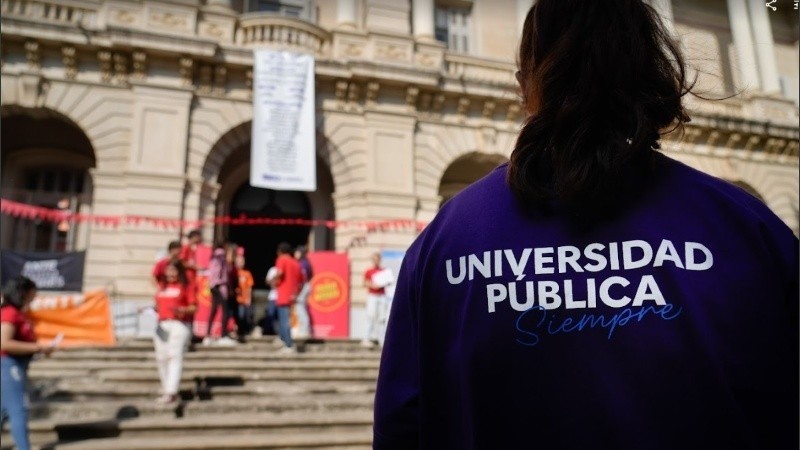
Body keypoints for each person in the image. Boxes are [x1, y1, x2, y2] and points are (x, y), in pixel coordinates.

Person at [374, 1, 799, 449]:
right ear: (652, 73)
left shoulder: (446, 240)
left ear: (525, 84)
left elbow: (401, 423)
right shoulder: (745, 228)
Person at [1, 277, 55, 450]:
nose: (35, 296)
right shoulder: (9, 313)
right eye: (33, 292)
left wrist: (38, 350)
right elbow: (4, 343)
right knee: (18, 410)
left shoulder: (18, 314)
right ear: (22, 292)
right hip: (8, 366)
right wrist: (38, 347)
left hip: (17, 366)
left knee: (4, 410)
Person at [152, 261, 195, 404]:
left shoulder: (186, 286)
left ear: (179, 272)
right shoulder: (161, 287)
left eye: (173, 270)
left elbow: (194, 307)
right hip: (162, 324)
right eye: (168, 270)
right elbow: (157, 305)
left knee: (174, 355)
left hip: (179, 324)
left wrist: (183, 310)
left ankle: (171, 391)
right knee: (161, 357)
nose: (170, 273)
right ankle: (167, 388)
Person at [273, 242, 304, 353]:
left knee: (284, 320)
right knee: (287, 319)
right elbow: (302, 281)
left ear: (280, 251)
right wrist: (297, 293)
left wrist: (274, 280)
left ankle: (288, 344)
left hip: (283, 294)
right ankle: (283, 339)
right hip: (292, 295)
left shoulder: (281, 260)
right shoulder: (296, 263)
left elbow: (280, 272)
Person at [203, 242, 233, 346]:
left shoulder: (214, 256)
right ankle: (223, 335)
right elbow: (221, 271)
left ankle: (208, 335)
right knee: (225, 311)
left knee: (214, 310)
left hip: (214, 285)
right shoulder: (221, 256)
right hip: (219, 286)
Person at [362, 252, 392, 348]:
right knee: (370, 316)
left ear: (380, 260)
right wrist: (373, 285)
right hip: (373, 296)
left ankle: (381, 339)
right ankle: (366, 338)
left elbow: (389, 281)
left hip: (382, 296)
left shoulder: (384, 271)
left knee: (382, 318)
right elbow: (365, 283)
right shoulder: (369, 271)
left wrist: (385, 282)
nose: (376, 261)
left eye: (377, 259)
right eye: (374, 259)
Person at [293, 245, 313, 338]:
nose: (295, 254)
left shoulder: (303, 263)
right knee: (300, 307)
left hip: (303, 286)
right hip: (306, 286)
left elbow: (303, 277)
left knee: (300, 307)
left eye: (297, 252)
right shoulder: (306, 262)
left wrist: (298, 290)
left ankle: (304, 330)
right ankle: (303, 329)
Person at [236, 254, 254, 338]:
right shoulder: (233, 272)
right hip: (235, 299)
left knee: (244, 315)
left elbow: (249, 287)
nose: (241, 263)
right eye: (239, 261)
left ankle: (244, 331)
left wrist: (249, 298)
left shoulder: (247, 273)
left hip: (244, 299)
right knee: (238, 316)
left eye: (242, 261)